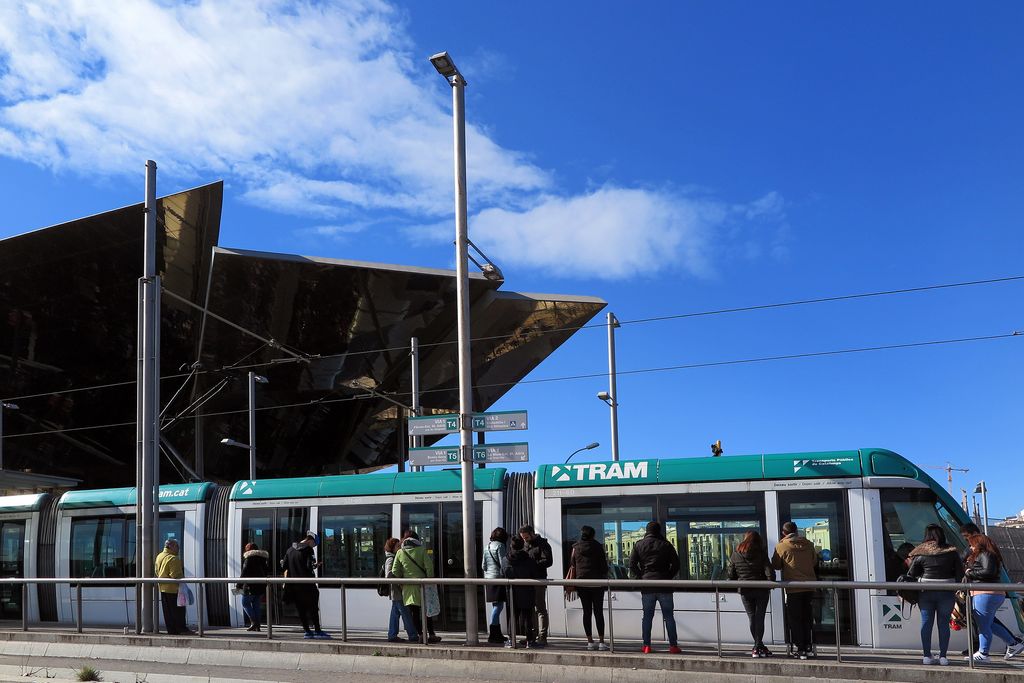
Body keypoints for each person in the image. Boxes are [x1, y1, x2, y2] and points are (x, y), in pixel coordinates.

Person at [958, 523, 1024, 657]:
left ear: (978, 542)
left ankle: (983, 653)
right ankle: (1013, 644)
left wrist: (970, 572)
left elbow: (988, 571)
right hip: (987, 592)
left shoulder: (985, 554)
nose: (969, 546)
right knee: (989, 623)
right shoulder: (987, 554)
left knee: (983, 624)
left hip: (985, 592)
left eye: (971, 543)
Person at [906, 524, 963, 665]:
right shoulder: (952, 552)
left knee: (926, 622)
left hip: (925, 592)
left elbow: (911, 574)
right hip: (946, 592)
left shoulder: (920, 552)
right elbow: (960, 574)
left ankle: (926, 656)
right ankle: (943, 657)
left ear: (927, 536)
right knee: (943, 623)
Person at [628, 521, 682, 654]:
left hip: (647, 586)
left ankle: (646, 646)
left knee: (647, 617)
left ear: (647, 531)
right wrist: (668, 576)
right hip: (664, 585)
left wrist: (642, 576)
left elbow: (632, 565)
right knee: (669, 617)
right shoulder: (666, 545)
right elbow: (676, 564)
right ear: (659, 531)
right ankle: (673, 646)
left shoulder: (638, 545)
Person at [771, 521, 817, 659]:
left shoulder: (781, 546)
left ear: (783, 533)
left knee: (795, 619)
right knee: (807, 617)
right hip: (809, 587)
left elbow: (776, 565)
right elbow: (814, 562)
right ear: (796, 531)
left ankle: (801, 649)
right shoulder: (809, 544)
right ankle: (809, 645)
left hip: (793, 588)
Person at [727, 530, 774, 658]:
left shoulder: (736, 553)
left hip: (745, 590)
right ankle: (758, 646)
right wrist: (771, 583)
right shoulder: (761, 553)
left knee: (752, 617)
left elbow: (731, 574)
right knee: (760, 617)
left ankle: (758, 646)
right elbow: (769, 572)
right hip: (761, 589)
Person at [391, 528, 441, 643]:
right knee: (427, 611)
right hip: (423, 585)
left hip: (408, 588)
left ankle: (420, 635)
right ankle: (432, 634)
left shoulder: (400, 552)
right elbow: (429, 568)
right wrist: (429, 580)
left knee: (414, 612)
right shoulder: (421, 550)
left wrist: (401, 583)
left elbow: (395, 571)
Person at [568, 525, 609, 651]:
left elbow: (572, 564)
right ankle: (602, 642)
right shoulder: (598, 546)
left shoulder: (575, 547)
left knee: (587, 612)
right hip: (597, 583)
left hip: (582, 584)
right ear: (593, 535)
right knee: (598, 612)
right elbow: (604, 567)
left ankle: (590, 642)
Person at [283, 531, 331, 639]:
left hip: (295, 586)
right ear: (310, 540)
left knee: (301, 609)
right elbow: (310, 566)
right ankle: (318, 631)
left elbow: (284, 565)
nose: (314, 546)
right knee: (313, 608)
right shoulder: (308, 550)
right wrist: (316, 565)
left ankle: (307, 631)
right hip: (308, 585)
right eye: (314, 544)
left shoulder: (289, 550)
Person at [519, 524, 553, 645]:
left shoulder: (543, 544)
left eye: (526, 537)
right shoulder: (524, 545)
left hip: (538, 579)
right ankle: (531, 636)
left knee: (540, 609)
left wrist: (533, 565)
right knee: (530, 609)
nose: (525, 540)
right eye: (523, 538)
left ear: (532, 534)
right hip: (527, 580)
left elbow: (548, 561)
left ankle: (542, 636)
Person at [505, 535, 539, 648]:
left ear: (511, 546)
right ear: (522, 546)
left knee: (512, 616)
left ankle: (511, 640)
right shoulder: (529, 560)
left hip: (511, 592)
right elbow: (534, 574)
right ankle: (530, 641)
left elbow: (503, 573)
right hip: (527, 591)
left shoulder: (505, 560)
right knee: (528, 617)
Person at [384, 537, 419, 643]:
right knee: (406, 613)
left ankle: (392, 634)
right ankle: (413, 635)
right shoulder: (391, 559)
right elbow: (389, 574)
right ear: (393, 547)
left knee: (395, 613)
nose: (400, 548)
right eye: (398, 546)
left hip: (397, 591)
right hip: (397, 591)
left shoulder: (395, 556)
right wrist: (400, 581)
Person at [155, 538, 191, 635]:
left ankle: (171, 630)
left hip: (163, 589)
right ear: (171, 546)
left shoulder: (159, 556)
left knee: (168, 612)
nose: (178, 549)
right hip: (174, 590)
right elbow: (175, 575)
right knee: (178, 611)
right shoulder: (173, 558)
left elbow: (156, 572)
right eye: (177, 546)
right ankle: (182, 629)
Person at [481, 527, 510, 644]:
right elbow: (503, 563)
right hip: (498, 579)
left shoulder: (487, 546)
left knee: (495, 606)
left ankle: (497, 633)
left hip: (488, 579)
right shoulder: (500, 546)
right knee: (499, 606)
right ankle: (493, 632)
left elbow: (483, 565)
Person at [239, 542, 269, 632]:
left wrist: (238, 585)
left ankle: (254, 622)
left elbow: (244, 573)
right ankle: (258, 625)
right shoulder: (263, 559)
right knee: (256, 606)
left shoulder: (249, 559)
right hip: (260, 587)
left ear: (248, 550)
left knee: (245, 603)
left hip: (250, 587)